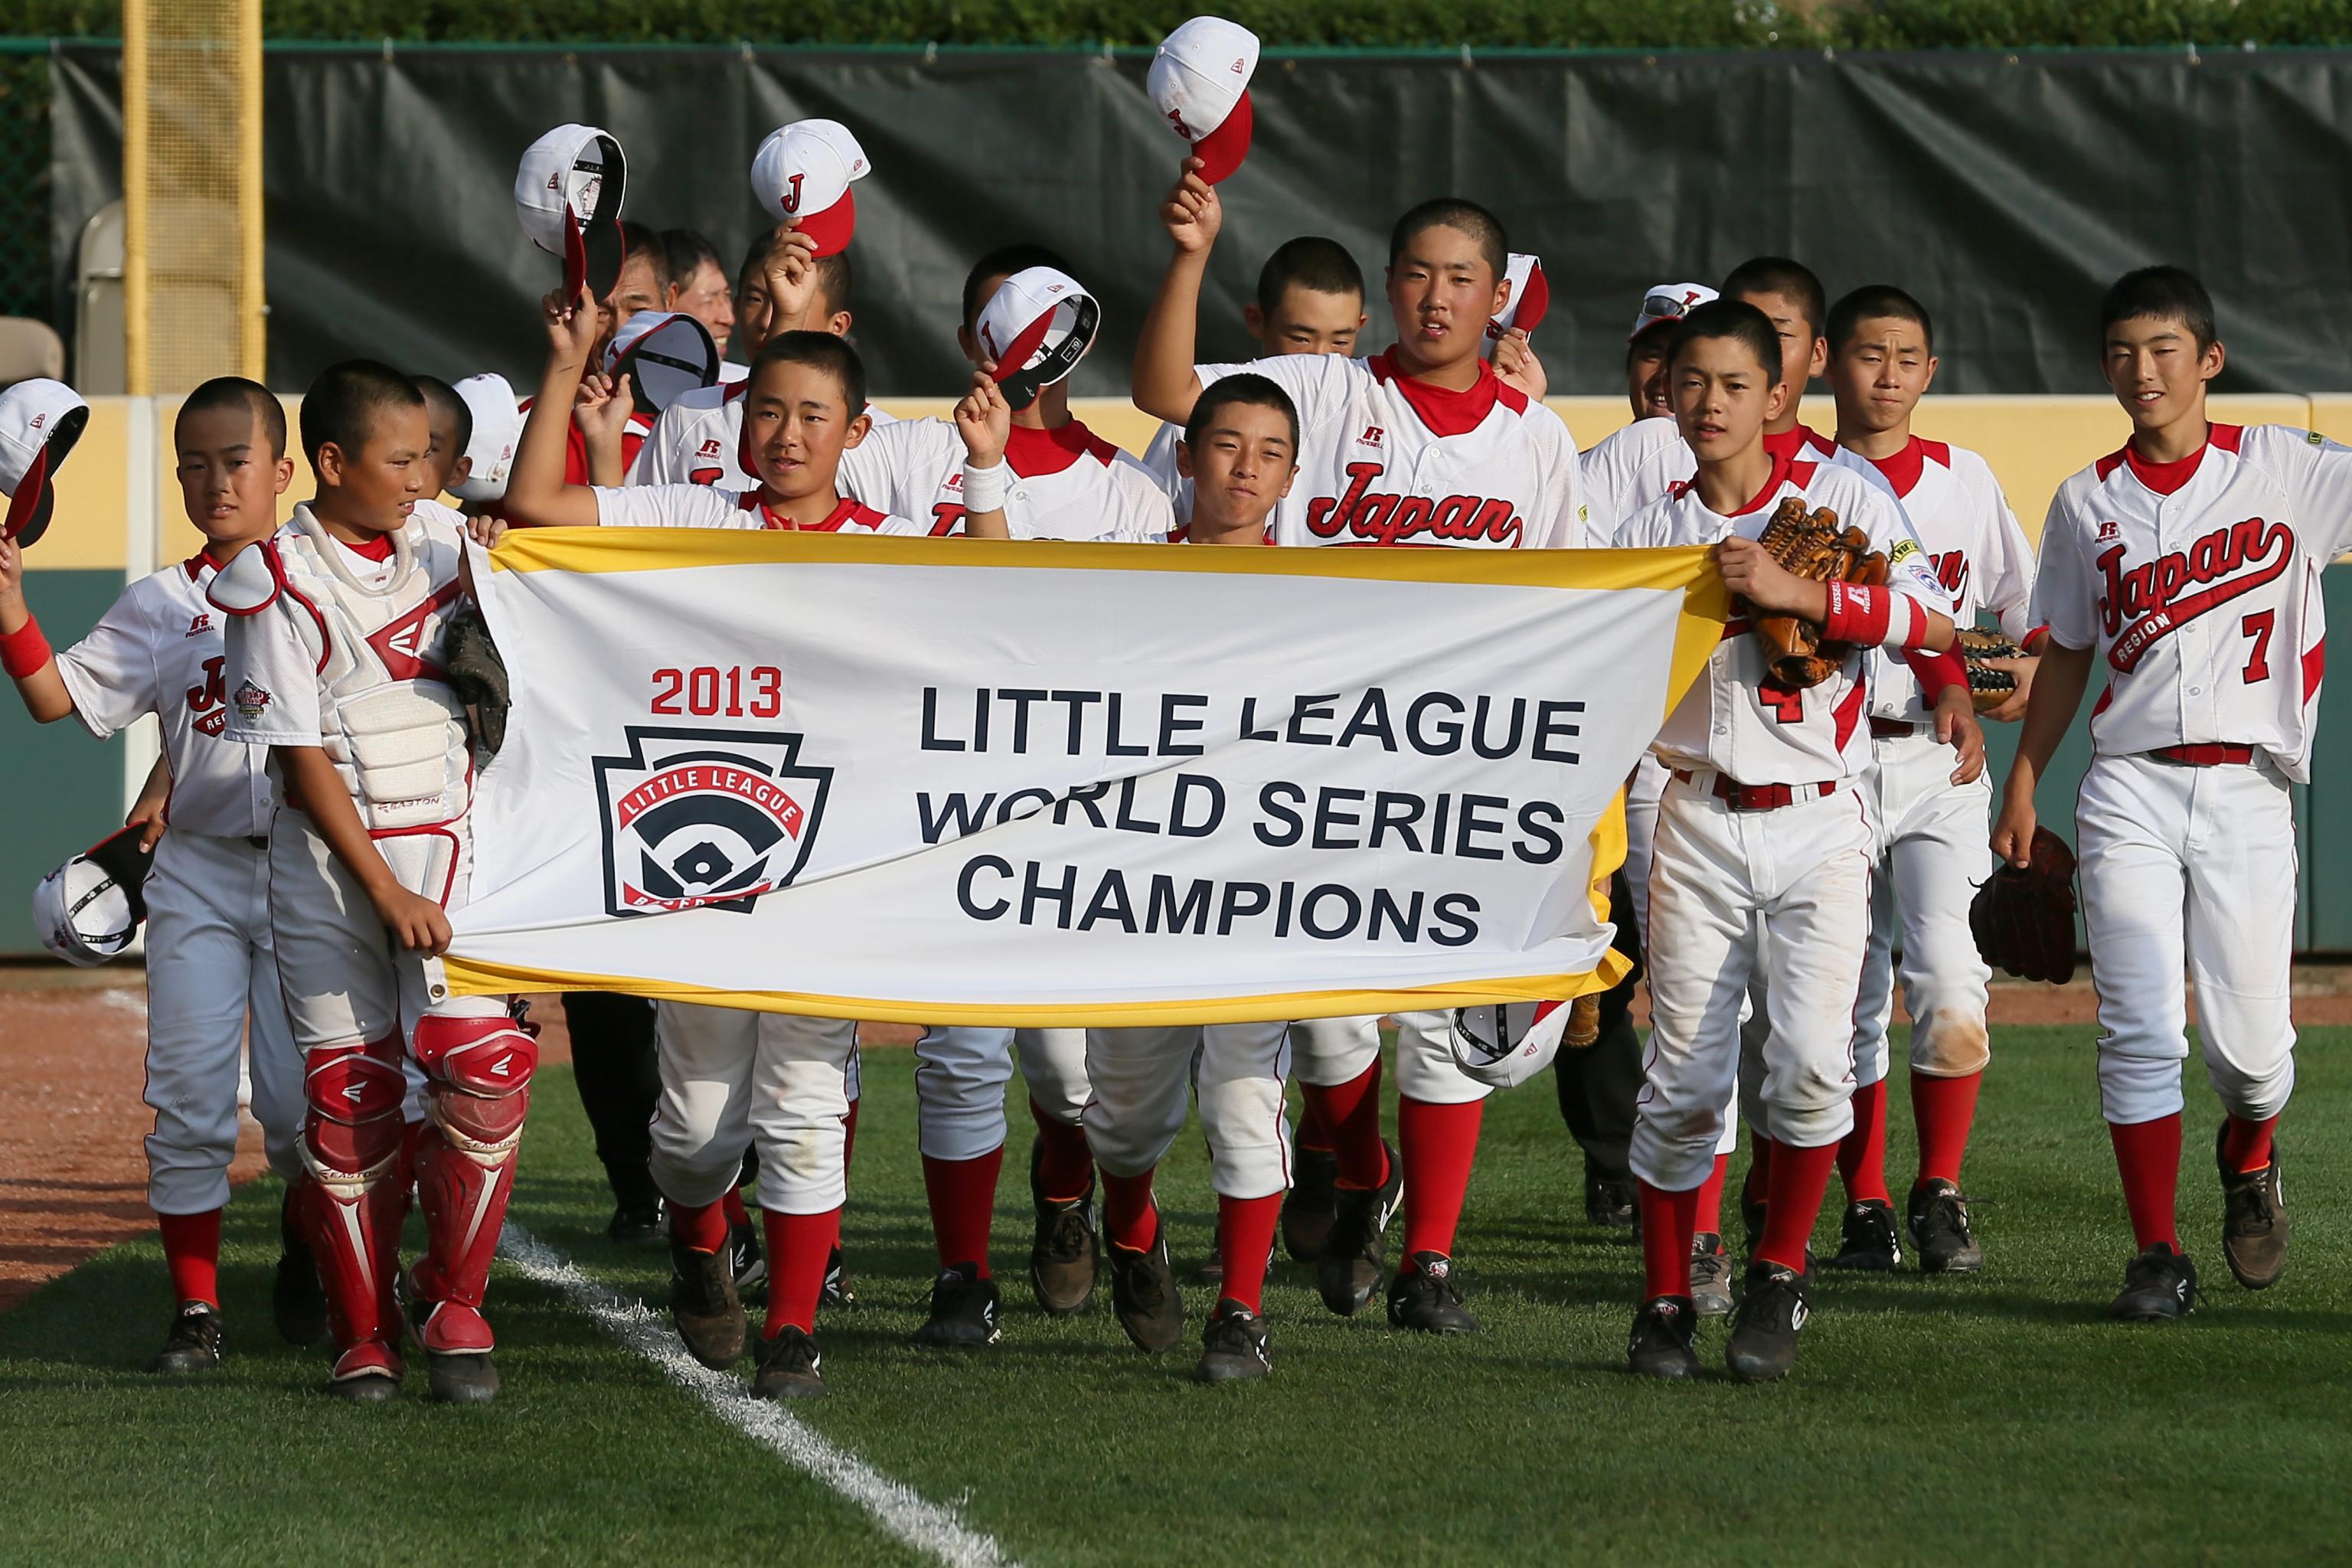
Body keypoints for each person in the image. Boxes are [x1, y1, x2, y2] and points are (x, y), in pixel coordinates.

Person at [502, 280, 1012, 1397]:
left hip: (830, 873)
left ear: (858, 434)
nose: (786, 434)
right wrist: (569, 357)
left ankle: (791, 1330)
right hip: (705, 856)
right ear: (739, 421)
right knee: (689, 1132)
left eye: (812, 416)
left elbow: (1002, 611)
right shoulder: (699, 520)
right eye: (768, 412)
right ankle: (697, 1250)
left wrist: (982, 474)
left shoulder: (893, 548)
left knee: (802, 1106)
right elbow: (536, 500)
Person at [1132, 164, 1586, 1335]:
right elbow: (1169, 388)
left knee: (1440, 1013)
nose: (1439, 298)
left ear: (1501, 298)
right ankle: (1362, 1173)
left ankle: (1430, 1262)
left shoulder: (1537, 441)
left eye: (1463, 279)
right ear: (1388, 289)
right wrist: (1193, 253)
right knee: (1331, 1024)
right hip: (1311, 753)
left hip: (1458, 761)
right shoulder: (1326, 393)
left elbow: (1566, 610)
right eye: (1420, 276)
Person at [1613, 299, 1971, 1383]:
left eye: (1734, 384)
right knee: (1683, 1082)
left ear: (1778, 395)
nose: (1711, 403)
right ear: (1664, 391)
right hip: (1694, 813)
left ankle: (1778, 1271)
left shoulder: (1838, 496)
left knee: (1814, 1065)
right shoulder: (1645, 525)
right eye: (1691, 383)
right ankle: (1666, 1299)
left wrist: (1800, 589)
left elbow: (1938, 624)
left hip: (1821, 814)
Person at [1993, 266, 2349, 1320]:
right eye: (2121, 352)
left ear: (2209, 361)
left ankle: (2251, 1152)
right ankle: (2156, 1250)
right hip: (2127, 791)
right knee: (2140, 1026)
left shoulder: (2286, 467)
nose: (2141, 372)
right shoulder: (2085, 498)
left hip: (2247, 788)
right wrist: (2024, 782)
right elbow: (2063, 653)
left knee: (2253, 1063)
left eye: (2162, 351)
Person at [841, 246, 1173, 1353]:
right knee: (961, 1050)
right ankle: (961, 1277)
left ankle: (1071, 1194)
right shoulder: (899, 458)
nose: (1035, 346)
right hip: (933, 792)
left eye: (1052, 324)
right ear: (972, 337)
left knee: (1076, 1073)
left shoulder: (1128, 490)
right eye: (1005, 321)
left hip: (1080, 802)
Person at [210, 361, 531, 1404]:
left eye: (431, 455)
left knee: (483, 1071)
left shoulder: (447, 542)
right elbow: (298, 755)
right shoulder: (274, 578)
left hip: (455, 855)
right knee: (349, 1104)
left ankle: (454, 1301)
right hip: (328, 877)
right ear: (336, 463)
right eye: (401, 459)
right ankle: (363, 1332)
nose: (423, 476)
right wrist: (384, 891)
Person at [0, 376, 318, 1373]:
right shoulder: (160, 603)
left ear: (284, 470)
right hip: (200, 880)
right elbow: (58, 699)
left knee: (301, 1108)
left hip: (311, 875)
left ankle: (313, 1250)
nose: (215, 480)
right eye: (194, 464)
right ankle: (195, 1310)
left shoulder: (329, 581)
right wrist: (10, 606)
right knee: (186, 1097)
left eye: (236, 461)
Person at [1082, 373, 1303, 1382]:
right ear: (1186, 454)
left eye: (1268, 451)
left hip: (1264, 887)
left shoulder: (1344, 595)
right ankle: (1130, 1228)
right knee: (1124, 1119)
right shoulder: (1127, 576)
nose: (1246, 467)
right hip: (1140, 889)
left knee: (1244, 1105)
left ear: (1295, 474)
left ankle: (1242, 1314)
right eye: (1227, 444)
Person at [1819, 284, 2040, 1276]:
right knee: (1845, 992)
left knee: (1951, 979)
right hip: (1827, 758)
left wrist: (1995, 681)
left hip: (1937, 759)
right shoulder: (1802, 482)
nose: (1890, 375)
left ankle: (1937, 1186)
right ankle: (1863, 1200)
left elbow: (2026, 635)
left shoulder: (1965, 479)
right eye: (1871, 354)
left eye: (1909, 358)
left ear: (1932, 372)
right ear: (1827, 360)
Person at [1137, 235, 1367, 521]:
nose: (1318, 359)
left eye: (1340, 342)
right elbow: (1153, 526)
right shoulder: (1196, 417)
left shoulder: (1366, 422)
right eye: (1300, 338)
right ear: (1256, 320)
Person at [629, 227, 854, 491]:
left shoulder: (881, 441)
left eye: (796, 302)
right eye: (755, 299)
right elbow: (633, 525)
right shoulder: (686, 415)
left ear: (838, 326)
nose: (769, 320)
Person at [661, 227, 738, 360]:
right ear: (668, 301)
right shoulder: (623, 378)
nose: (729, 318)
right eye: (708, 301)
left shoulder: (746, 378)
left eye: (726, 295)